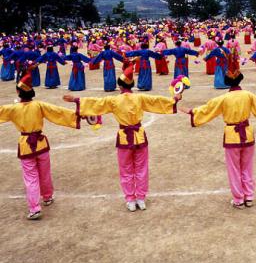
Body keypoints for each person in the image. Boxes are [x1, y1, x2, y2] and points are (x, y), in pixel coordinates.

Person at [63, 64, 181, 211]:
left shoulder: (114, 100)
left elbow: (97, 103)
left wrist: (76, 100)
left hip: (124, 137)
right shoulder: (140, 98)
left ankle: (130, 199)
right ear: (131, 85)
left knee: (126, 169)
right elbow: (156, 101)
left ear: (120, 86)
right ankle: (141, 198)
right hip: (139, 137)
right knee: (141, 168)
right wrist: (174, 100)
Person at [179, 69, 256, 209]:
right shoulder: (249, 95)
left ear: (227, 83)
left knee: (234, 169)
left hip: (232, 136)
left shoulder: (223, 99)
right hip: (247, 134)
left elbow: (207, 109)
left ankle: (238, 199)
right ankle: (249, 196)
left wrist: (192, 111)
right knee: (247, 167)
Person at [0, 68, 80, 219]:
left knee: (31, 178)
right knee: (44, 173)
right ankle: (48, 197)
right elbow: (58, 112)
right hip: (41, 144)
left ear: (18, 93)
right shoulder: (39, 105)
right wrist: (77, 115)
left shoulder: (12, 109)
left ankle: (35, 208)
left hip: (26, 146)